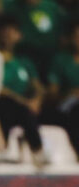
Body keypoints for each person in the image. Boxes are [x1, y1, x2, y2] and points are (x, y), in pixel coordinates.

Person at [0, 15, 47, 165]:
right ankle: (34, 149)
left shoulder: (24, 61)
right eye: (5, 31)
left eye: (12, 32)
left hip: (25, 108)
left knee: (30, 112)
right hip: (2, 105)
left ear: (19, 36)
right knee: (12, 107)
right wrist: (25, 102)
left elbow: (38, 86)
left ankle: (39, 152)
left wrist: (37, 100)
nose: (8, 36)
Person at [4, 0, 66, 79]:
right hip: (23, 55)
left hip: (50, 58)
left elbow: (62, 36)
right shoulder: (12, 6)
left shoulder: (52, 7)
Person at [47, 21, 79, 157]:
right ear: (71, 38)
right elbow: (53, 93)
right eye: (76, 36)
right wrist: (71, 93)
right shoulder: (60, 60)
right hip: (67, 105)